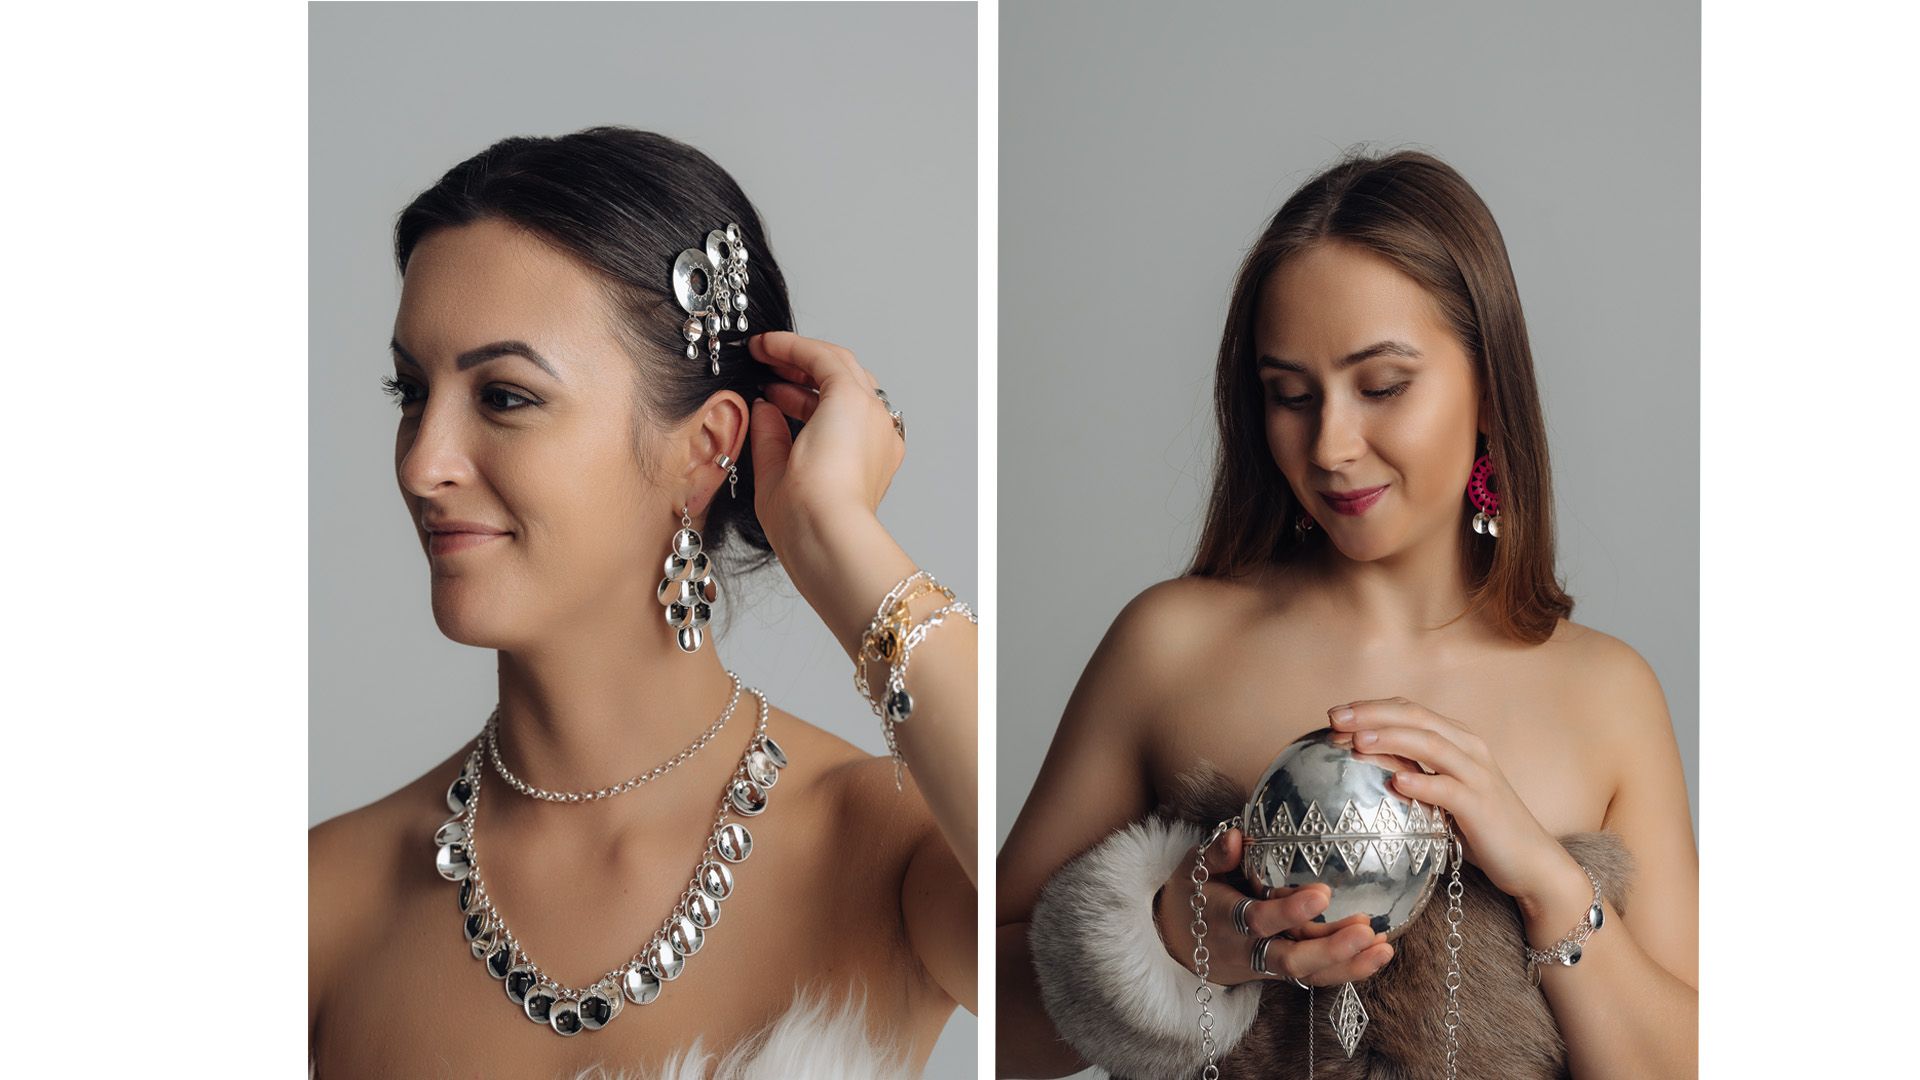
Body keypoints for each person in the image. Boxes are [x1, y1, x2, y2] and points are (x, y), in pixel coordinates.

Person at [997, 151, 1696, 1078]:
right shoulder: (1171, 648)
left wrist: (1549, 884)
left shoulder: (1607, 693)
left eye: (1381, 387)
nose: (1329, 444)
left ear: (1489, 388)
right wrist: (1162, 945)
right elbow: (983, 1022)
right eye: (1290, 395)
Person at [309, 127, 977, 1078]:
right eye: (410, 391)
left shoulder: (880, 851)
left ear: (707, 446)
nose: (422, 463)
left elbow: (1056, 942)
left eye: (504, 397)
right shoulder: (325, 904)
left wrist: (837, 536)